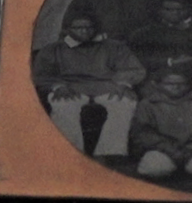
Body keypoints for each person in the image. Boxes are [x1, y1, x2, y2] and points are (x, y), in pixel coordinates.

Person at [30, 11, 145, 157]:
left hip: (107, 86)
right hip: (69, 87)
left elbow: (133, 68)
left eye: (89, 27)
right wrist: (58, 86)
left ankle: (110, 153)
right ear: (67, 29)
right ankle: (69, 153)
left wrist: (123, 83)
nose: (84, 31)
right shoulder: (53, 49)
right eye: (78, 28)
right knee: (64, 104)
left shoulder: (113, 47)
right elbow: (41, 74)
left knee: (125, 102)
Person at [131, 69, 192, 179]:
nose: (176, 87)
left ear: (191, 83)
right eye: (169, 83)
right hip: (162, 149)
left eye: (182, 83)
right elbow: (142, 131)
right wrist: (167, 148)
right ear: (158, 84)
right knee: (155, 168)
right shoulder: (148, 103)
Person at [126, 0, 192, 94]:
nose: (175, 13)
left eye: (180, 9)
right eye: (168, 10)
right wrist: (170, 62)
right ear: (160, 11)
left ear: (188, 10)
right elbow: (138, 59)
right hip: (159, 75)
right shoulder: (145, 33)